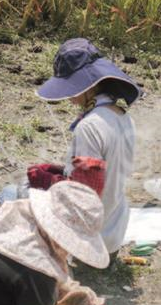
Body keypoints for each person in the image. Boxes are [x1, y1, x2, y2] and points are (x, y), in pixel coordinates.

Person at [32, 38, 140, 256]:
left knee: (11, 194)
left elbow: (85, 193)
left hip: (92, 239)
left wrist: (49, 182)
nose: (69, 94)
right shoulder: (122, 117)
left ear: (88, 85)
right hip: (115, 231)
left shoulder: (90, 126)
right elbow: (104, 175)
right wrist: (63, 171)